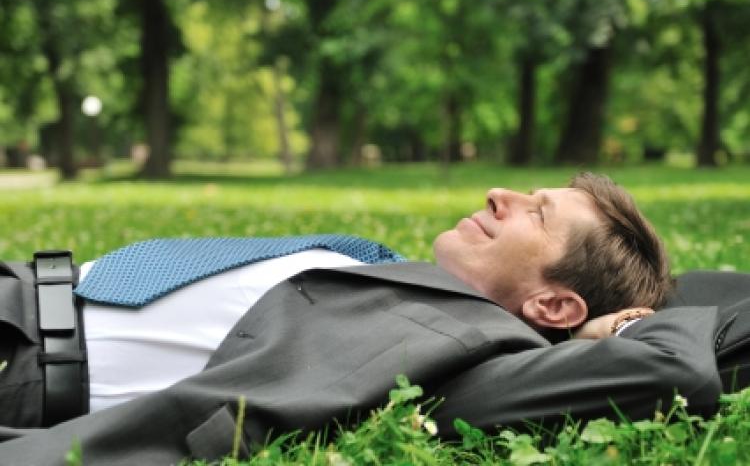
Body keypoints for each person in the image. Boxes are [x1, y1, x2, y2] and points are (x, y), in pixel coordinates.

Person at [0, 173, 725, 465]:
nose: (501, 192)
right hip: (22, 289)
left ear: (554, 306)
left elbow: (669, 366)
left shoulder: (475, 351)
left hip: (25, 375)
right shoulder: (379, 271)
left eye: (538, 213)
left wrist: (620, 326)